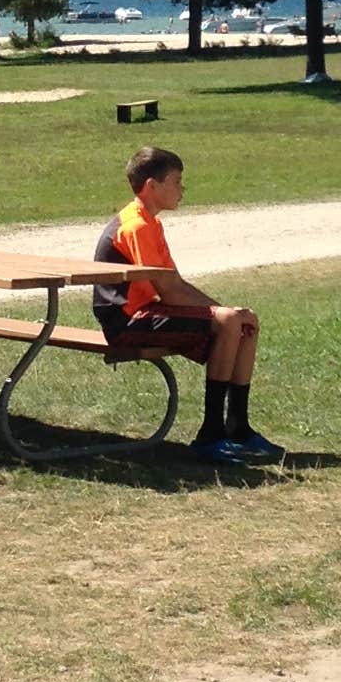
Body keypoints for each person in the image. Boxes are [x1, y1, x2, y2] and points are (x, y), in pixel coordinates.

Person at [94, 144, 282, 464]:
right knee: (230, 321)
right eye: (177, 181)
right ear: (152, 186)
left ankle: (238, 427)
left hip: (147, 313)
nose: (183, 189)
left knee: (244, 323)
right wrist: (222, 316)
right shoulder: (135, 225)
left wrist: (228, 313)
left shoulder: (151, 222)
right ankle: (211, 435)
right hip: (126, 323)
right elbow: (169, 293)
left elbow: (175, 284)